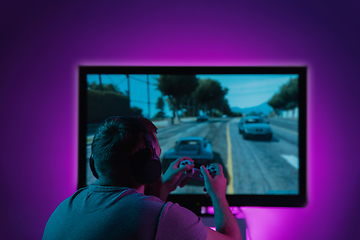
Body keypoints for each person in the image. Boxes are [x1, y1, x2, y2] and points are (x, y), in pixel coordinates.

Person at [43, 116, 242, 240]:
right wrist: (218, 195)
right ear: (149, 167)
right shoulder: (166, 218)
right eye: (156, 154)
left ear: (94, 164)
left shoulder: (64, 208)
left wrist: (163, 188)